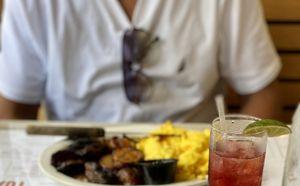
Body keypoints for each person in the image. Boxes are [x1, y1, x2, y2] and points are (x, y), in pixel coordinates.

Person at [0, 0, 282, 122]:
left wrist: (237, 159)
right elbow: (13, 110)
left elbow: (262, 93)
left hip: (196, 177)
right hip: (74, 170)